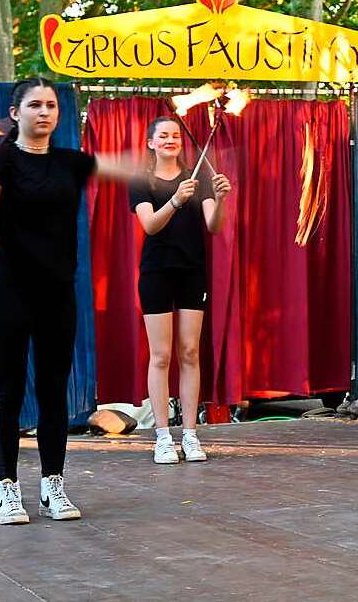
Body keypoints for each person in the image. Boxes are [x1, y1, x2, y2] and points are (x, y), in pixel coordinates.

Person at [0, 77, 142, 525]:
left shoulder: (71, 162)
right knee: (7, 391)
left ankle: (52, 485)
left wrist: (180, 169)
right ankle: (7, 489)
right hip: (9, 291)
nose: (44, 112)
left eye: (51, 106)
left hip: (57, 292)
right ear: (16, 113)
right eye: (35, 105)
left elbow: (126, 167)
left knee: (52, 391)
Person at [129, 116, 231, 465]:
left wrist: (219, 199)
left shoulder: (199, 177)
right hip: (157, 272)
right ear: (150, 142)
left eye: (175, 135)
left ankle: (189, 433)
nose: (171, 140)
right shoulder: (141, 181)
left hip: (192, 273)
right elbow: (150, 225)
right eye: (163, 135)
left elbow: (213, 225)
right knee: (161, 355)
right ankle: (162, 436)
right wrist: (174, 200)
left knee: (189, 352)